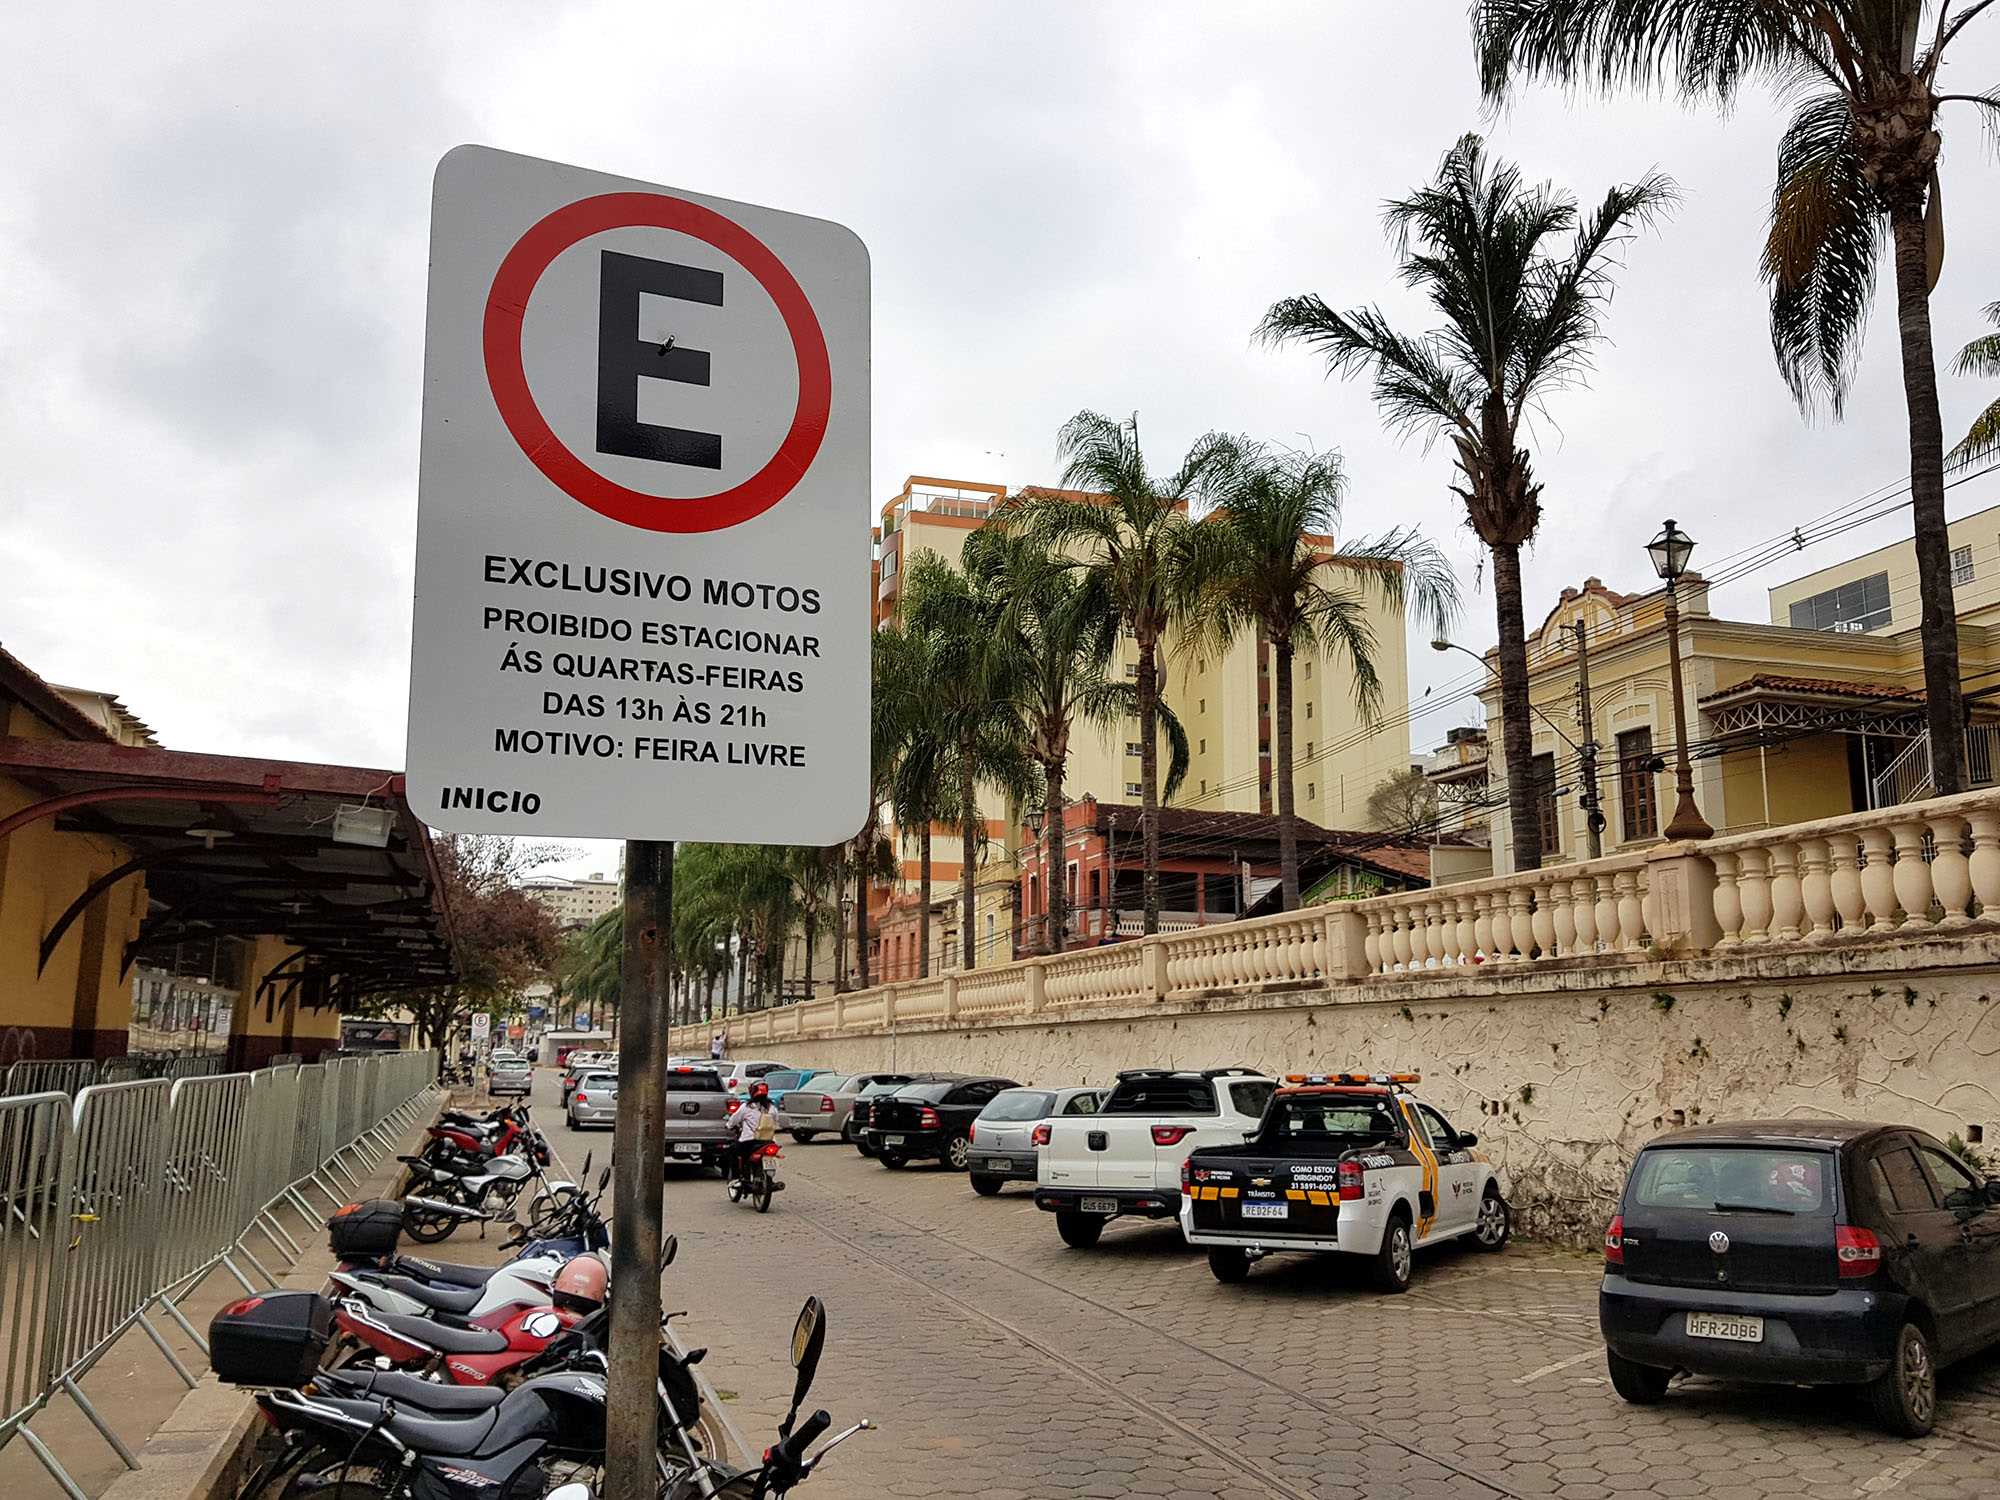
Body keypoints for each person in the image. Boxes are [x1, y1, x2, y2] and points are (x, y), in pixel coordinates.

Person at [728, 1081, 777, 1185]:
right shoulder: (772, 1108)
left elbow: (733, 1121)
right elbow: (777, 1121)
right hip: (769, 1142)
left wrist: (728, 1125)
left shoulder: (746, 1107)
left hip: (749, 1142)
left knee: (732, 1150)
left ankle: (736, 1179)